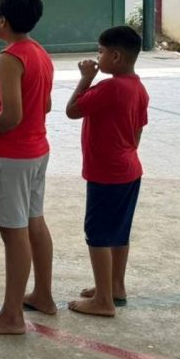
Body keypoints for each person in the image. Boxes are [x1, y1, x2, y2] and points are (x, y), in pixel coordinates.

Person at [0, 0, 56, 335]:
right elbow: (44, 106)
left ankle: (11, 315)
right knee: (34, 222)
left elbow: (12, 115)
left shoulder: (9, 57)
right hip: (37, 151)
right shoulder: (40, 53)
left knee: (13, 231)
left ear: (2, 21)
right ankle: (43, 295)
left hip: (13, 154)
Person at [65, 26, 149, 317]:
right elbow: (137, 134)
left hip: (107, 173)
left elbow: (73, 110)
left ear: (115, 55)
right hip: (129, 169)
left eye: (100, 52)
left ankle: (103, 300)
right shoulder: (138, 87)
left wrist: (86, 79)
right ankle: (115, 286)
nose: (97, 58)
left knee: (98, 234)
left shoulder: (109, 87)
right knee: (118, 232)